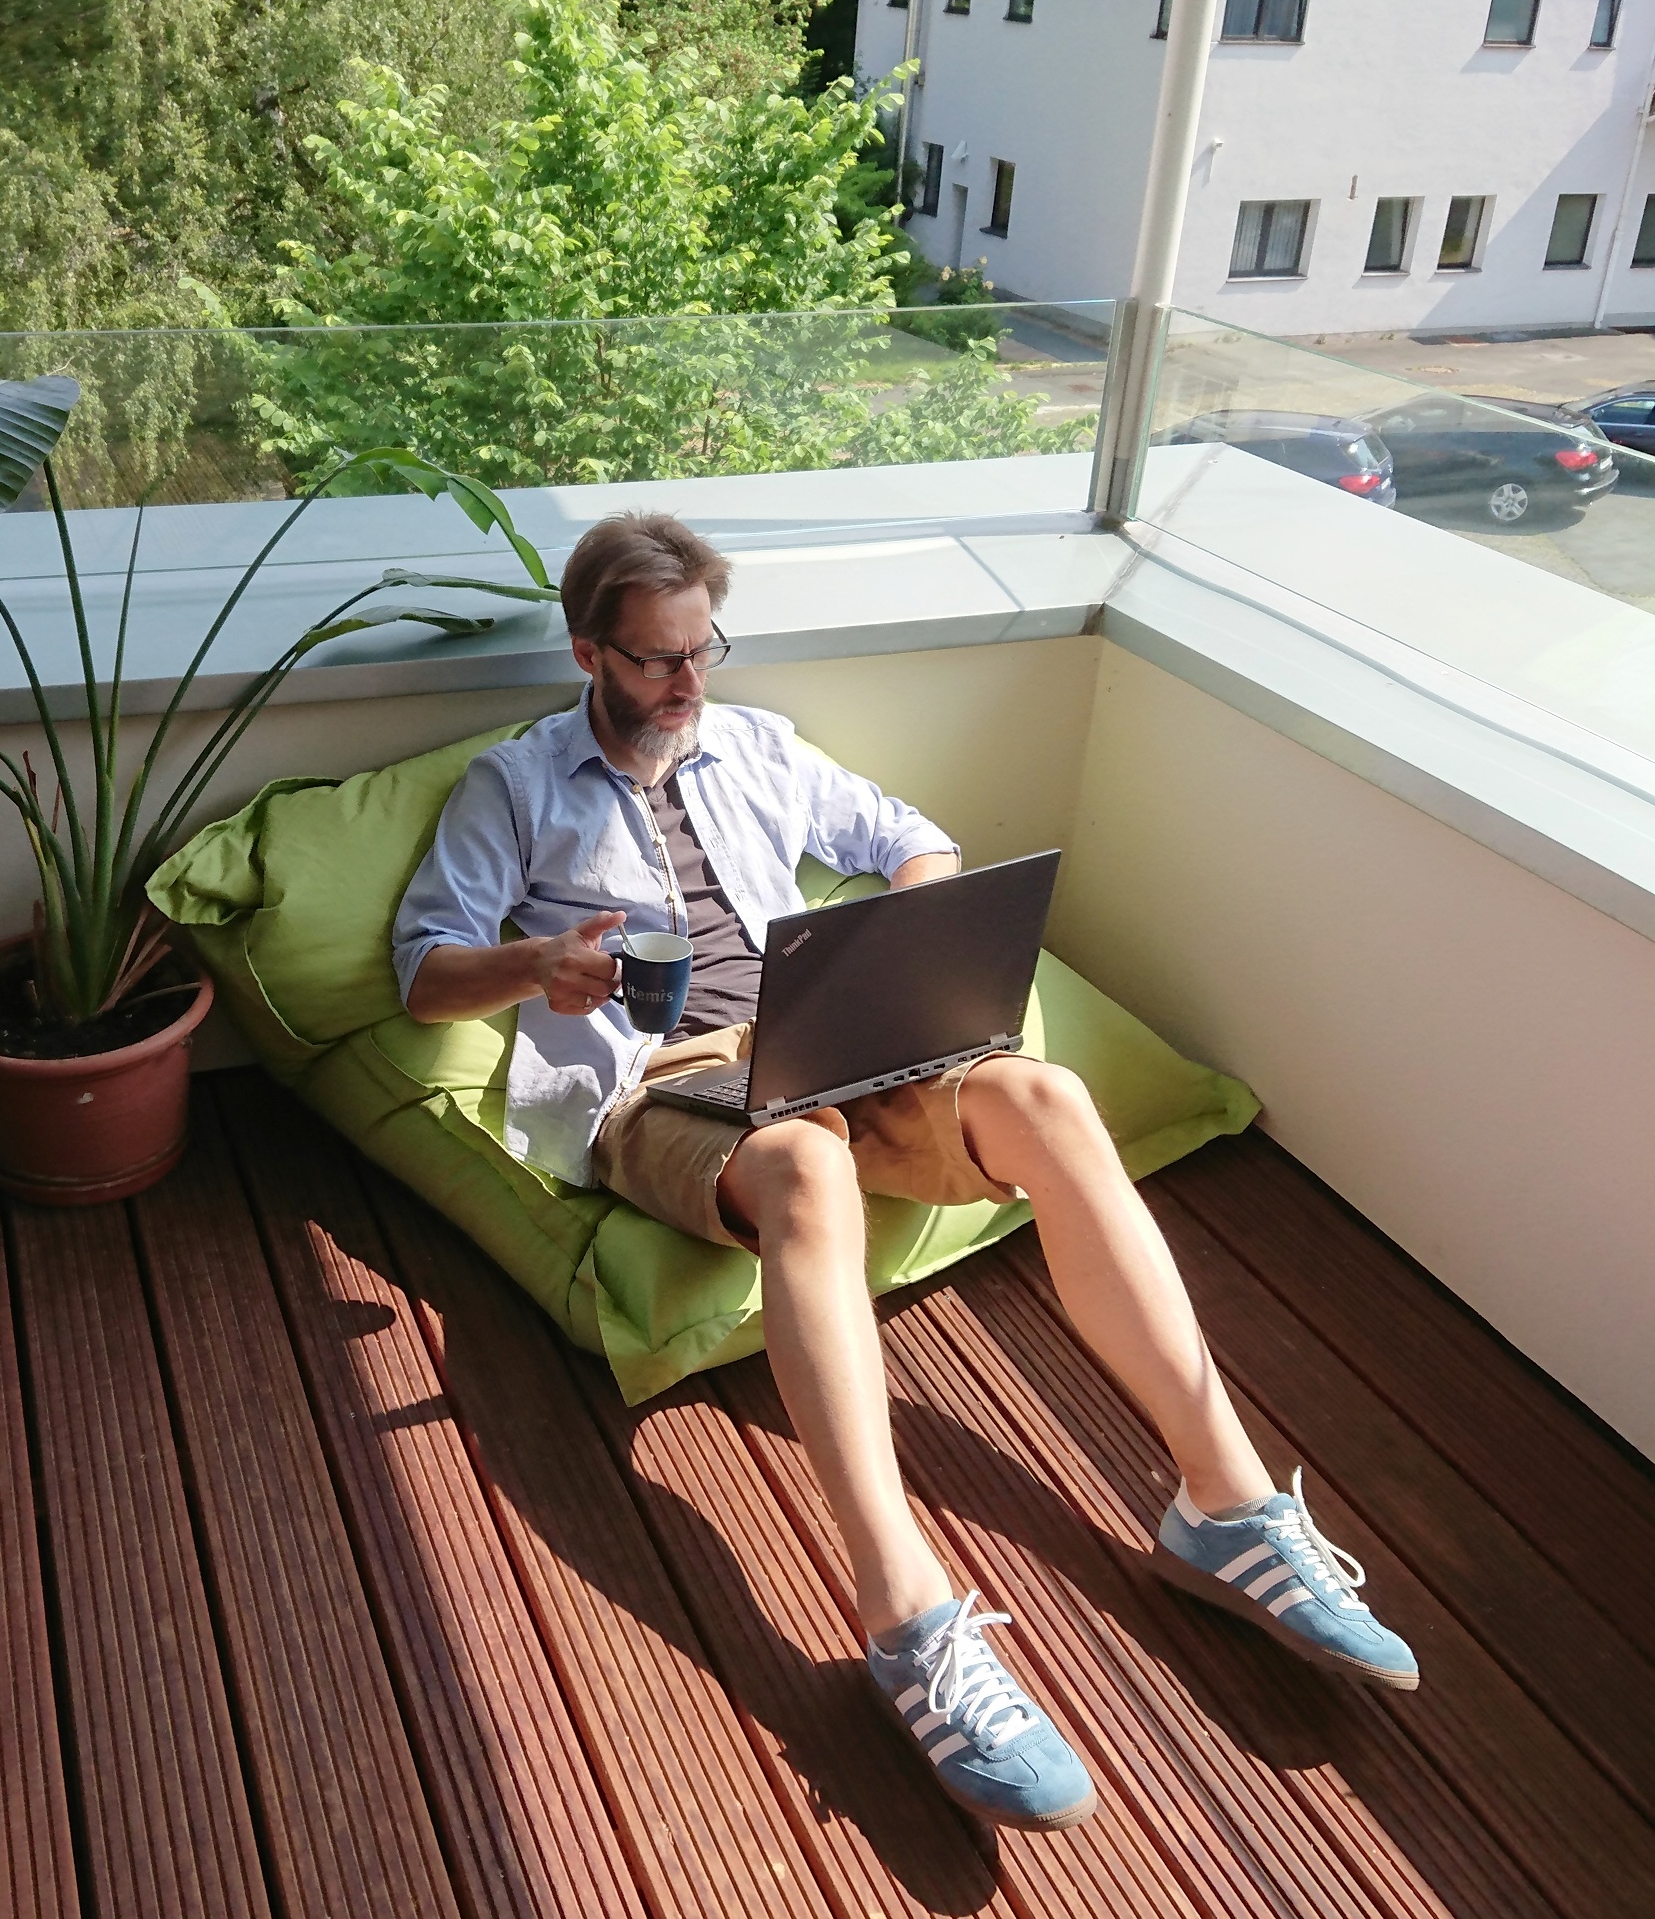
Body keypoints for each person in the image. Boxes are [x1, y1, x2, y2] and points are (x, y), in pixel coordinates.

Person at [393, 513, 1417, 1835]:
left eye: (703, 652)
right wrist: (540, 966)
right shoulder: (512, 788)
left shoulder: (756, 744)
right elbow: (422, 977)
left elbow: (915, 840)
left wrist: (899, 952)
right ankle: (910, 1618)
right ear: (590, 651)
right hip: (664, 1077)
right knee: (807, 1178)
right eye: (654, 663)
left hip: (834, 1035)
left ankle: (1222, 1505)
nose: (687, 686)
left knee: (1045, 1094)